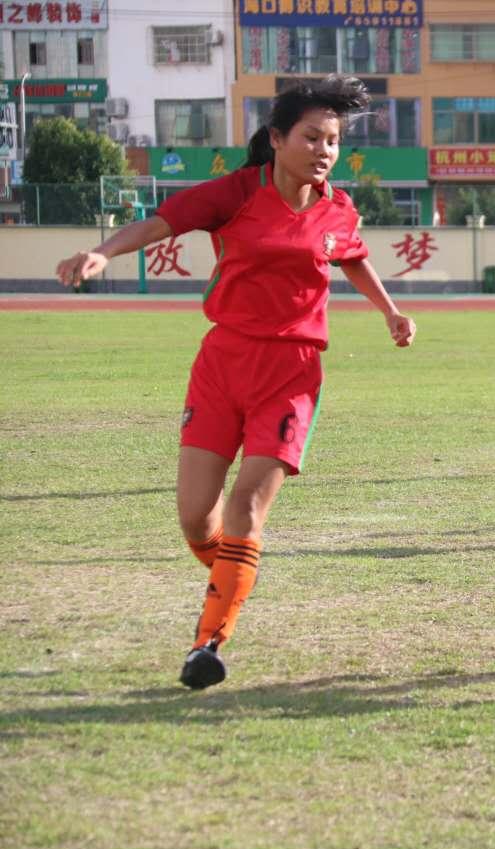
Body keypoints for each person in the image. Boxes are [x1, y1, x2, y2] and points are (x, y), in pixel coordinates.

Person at [54, 76, 417, 689]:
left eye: (332, 140)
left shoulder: (338, 207)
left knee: (247, 506)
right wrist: (104, 252)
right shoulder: (234, 193)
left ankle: (209, 641)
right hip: (222, 365)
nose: (324, 151)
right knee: (197, 519)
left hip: (293, 371)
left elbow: (351, 255)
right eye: (311, 137)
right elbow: (163, 222)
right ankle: (231, 573)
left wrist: (390, 311)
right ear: (276, 138)